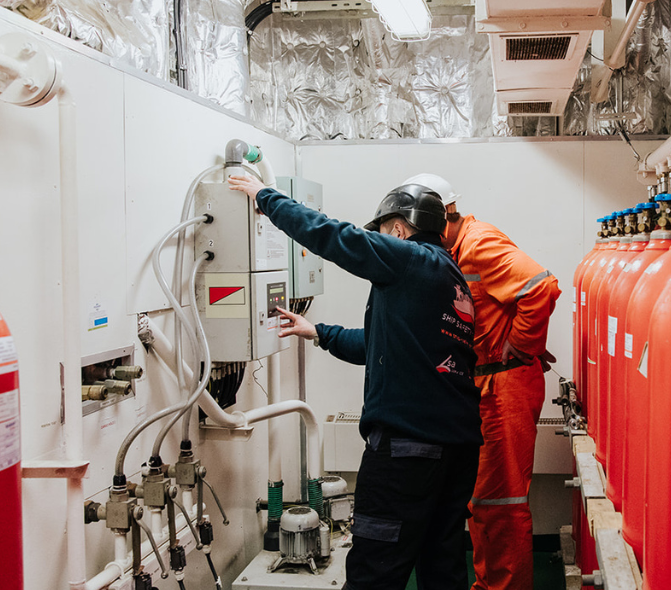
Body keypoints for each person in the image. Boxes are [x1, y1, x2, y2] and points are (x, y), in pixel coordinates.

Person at [228, 174, 482, 590]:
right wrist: (319, 332)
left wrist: (266, 197)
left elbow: (333, 236)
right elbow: (385, 344)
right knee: (442, 564)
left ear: (398, 230)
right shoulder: (450, 278)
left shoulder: (409, 259)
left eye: (382, 233)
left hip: (407, 450)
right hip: (457, 450)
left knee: (375, 569)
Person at [402, 173, 561, 590]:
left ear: (440, 215)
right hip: (484, 388)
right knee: (482, 500)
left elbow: (540, 287)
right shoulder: (454, 250)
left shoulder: (479, 243)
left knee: (500, 503)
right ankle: (488, 582)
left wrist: (521, 344)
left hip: (503, 389)